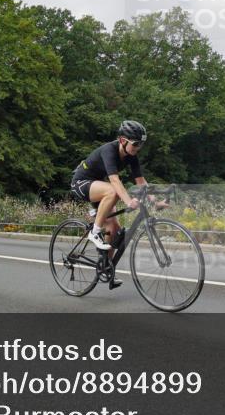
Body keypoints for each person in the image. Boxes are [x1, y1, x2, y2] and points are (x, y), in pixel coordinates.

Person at [69, 120, 165, 289]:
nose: (138, 148)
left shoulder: (131, 156)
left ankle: (106, 267)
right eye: (135, 144)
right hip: (81, 182)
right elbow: (114, 180)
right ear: (122, 140)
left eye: (141, 144)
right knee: (112, 191)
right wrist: (128, 201)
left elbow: (141, 181)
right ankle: (95, 232)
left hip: (98, 186)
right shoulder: (109, 150)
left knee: (114, 229)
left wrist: (155, 202)